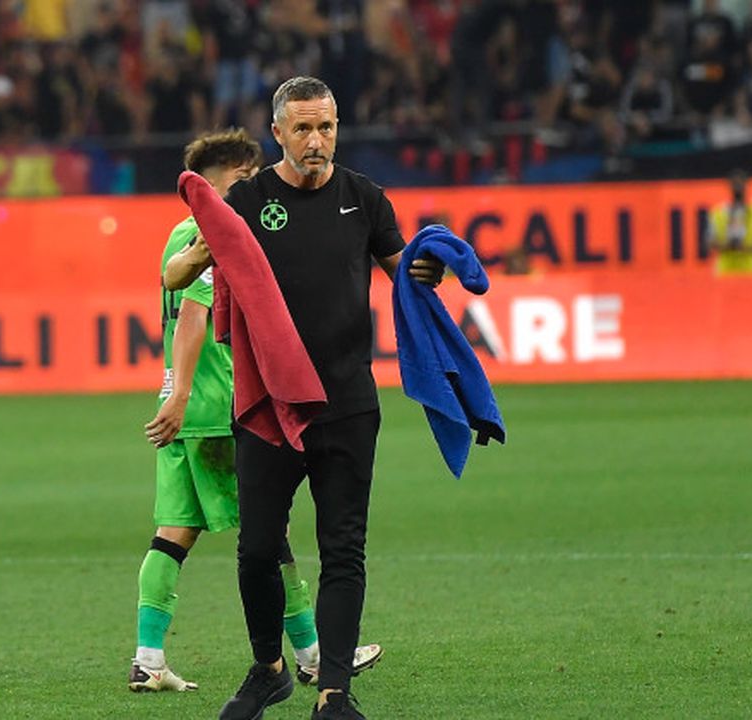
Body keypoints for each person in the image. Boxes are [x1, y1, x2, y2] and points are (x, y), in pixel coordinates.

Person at [164, 77, 444, 720]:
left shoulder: (364, 198)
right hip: (270, 408)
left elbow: (406, 275)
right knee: (258, 549)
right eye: (303, 129)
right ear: (278, 134)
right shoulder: (248, 200)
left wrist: (429, 270)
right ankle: (268, 670)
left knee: (343, 550)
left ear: (337, 128)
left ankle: (333, 692)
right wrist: (198, 255)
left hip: (348, 403)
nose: (316, 141)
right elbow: (176, 273)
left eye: (326, 128)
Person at [134, 128, 383, 695]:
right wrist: (183, 394)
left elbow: (174, 290)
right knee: (269, 535)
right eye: (242, 180)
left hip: (181, 408)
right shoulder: (214, 234)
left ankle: (147, 657)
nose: (253, 187)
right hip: (219, 404)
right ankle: (314, 655)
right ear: (215, 184)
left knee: (174, 532)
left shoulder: (178, 233)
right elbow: (194, 315)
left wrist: (174, 392)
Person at [707, 170, 752, 276]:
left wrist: (748, 248)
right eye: (735, 183)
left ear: (746, 184)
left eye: (740, 183)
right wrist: (728, 246)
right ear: (729, 185)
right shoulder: (718, 213)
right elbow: (710, 243)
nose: (737, 186)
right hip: (726, 271)